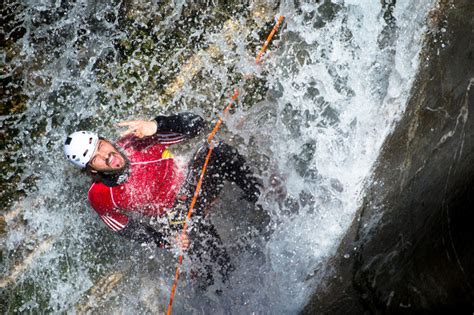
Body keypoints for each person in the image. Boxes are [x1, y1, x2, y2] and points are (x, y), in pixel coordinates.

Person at [63, 112, 262, 288]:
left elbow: (197, 124)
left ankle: (261, 199)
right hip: (177, 217)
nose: (106, 155)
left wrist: (157, 125)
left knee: (215, 149)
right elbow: (125, 228)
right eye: (95, 157)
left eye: (100, 145)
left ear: (105, 140)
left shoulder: (138, 140)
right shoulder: (100, 196)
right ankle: (223, 286)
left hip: (193, 185)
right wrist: (166, 241)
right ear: (92, 170)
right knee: (218, 266)